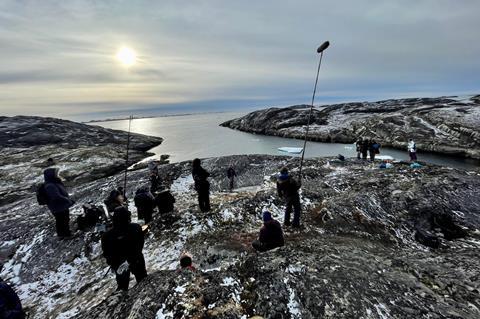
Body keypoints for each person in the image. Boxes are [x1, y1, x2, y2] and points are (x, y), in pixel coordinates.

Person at [101, 206, 147, 291]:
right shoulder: (136, 227)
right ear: (128, 216)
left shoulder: (107, 236)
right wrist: (133, 258)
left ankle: (122, 301)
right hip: (136, 259)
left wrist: (114, 263)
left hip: (120, 264)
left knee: (122, 287)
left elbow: (106, 253)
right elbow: (141, 243)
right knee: (143, 282)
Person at [43, 168, 75, 238]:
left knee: (61, 221)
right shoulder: (50, 185)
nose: (57, 175)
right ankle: (66, 234)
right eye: (56, 174)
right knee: (63, 220)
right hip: (58, 207)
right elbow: (56, 196)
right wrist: (67, 200)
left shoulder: (53, 182)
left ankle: (61, 234)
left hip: (59, 206)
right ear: (51, 175)